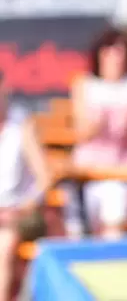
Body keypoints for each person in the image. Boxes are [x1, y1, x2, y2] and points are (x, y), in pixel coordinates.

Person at [65, 27, 127, 240]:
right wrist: (97, 124)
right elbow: (81, 134)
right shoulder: (84, 85)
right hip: (88, 172)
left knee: (113, 196)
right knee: (78, 207)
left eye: (122, 52)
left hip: (124, 171)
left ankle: (112, 259)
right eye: (110, 51)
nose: (116, 58)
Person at [0, 84, 50, 301]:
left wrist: (22, 208)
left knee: (3, 244)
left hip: (21, 215)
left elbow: (45, 179)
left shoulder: (22, 128)